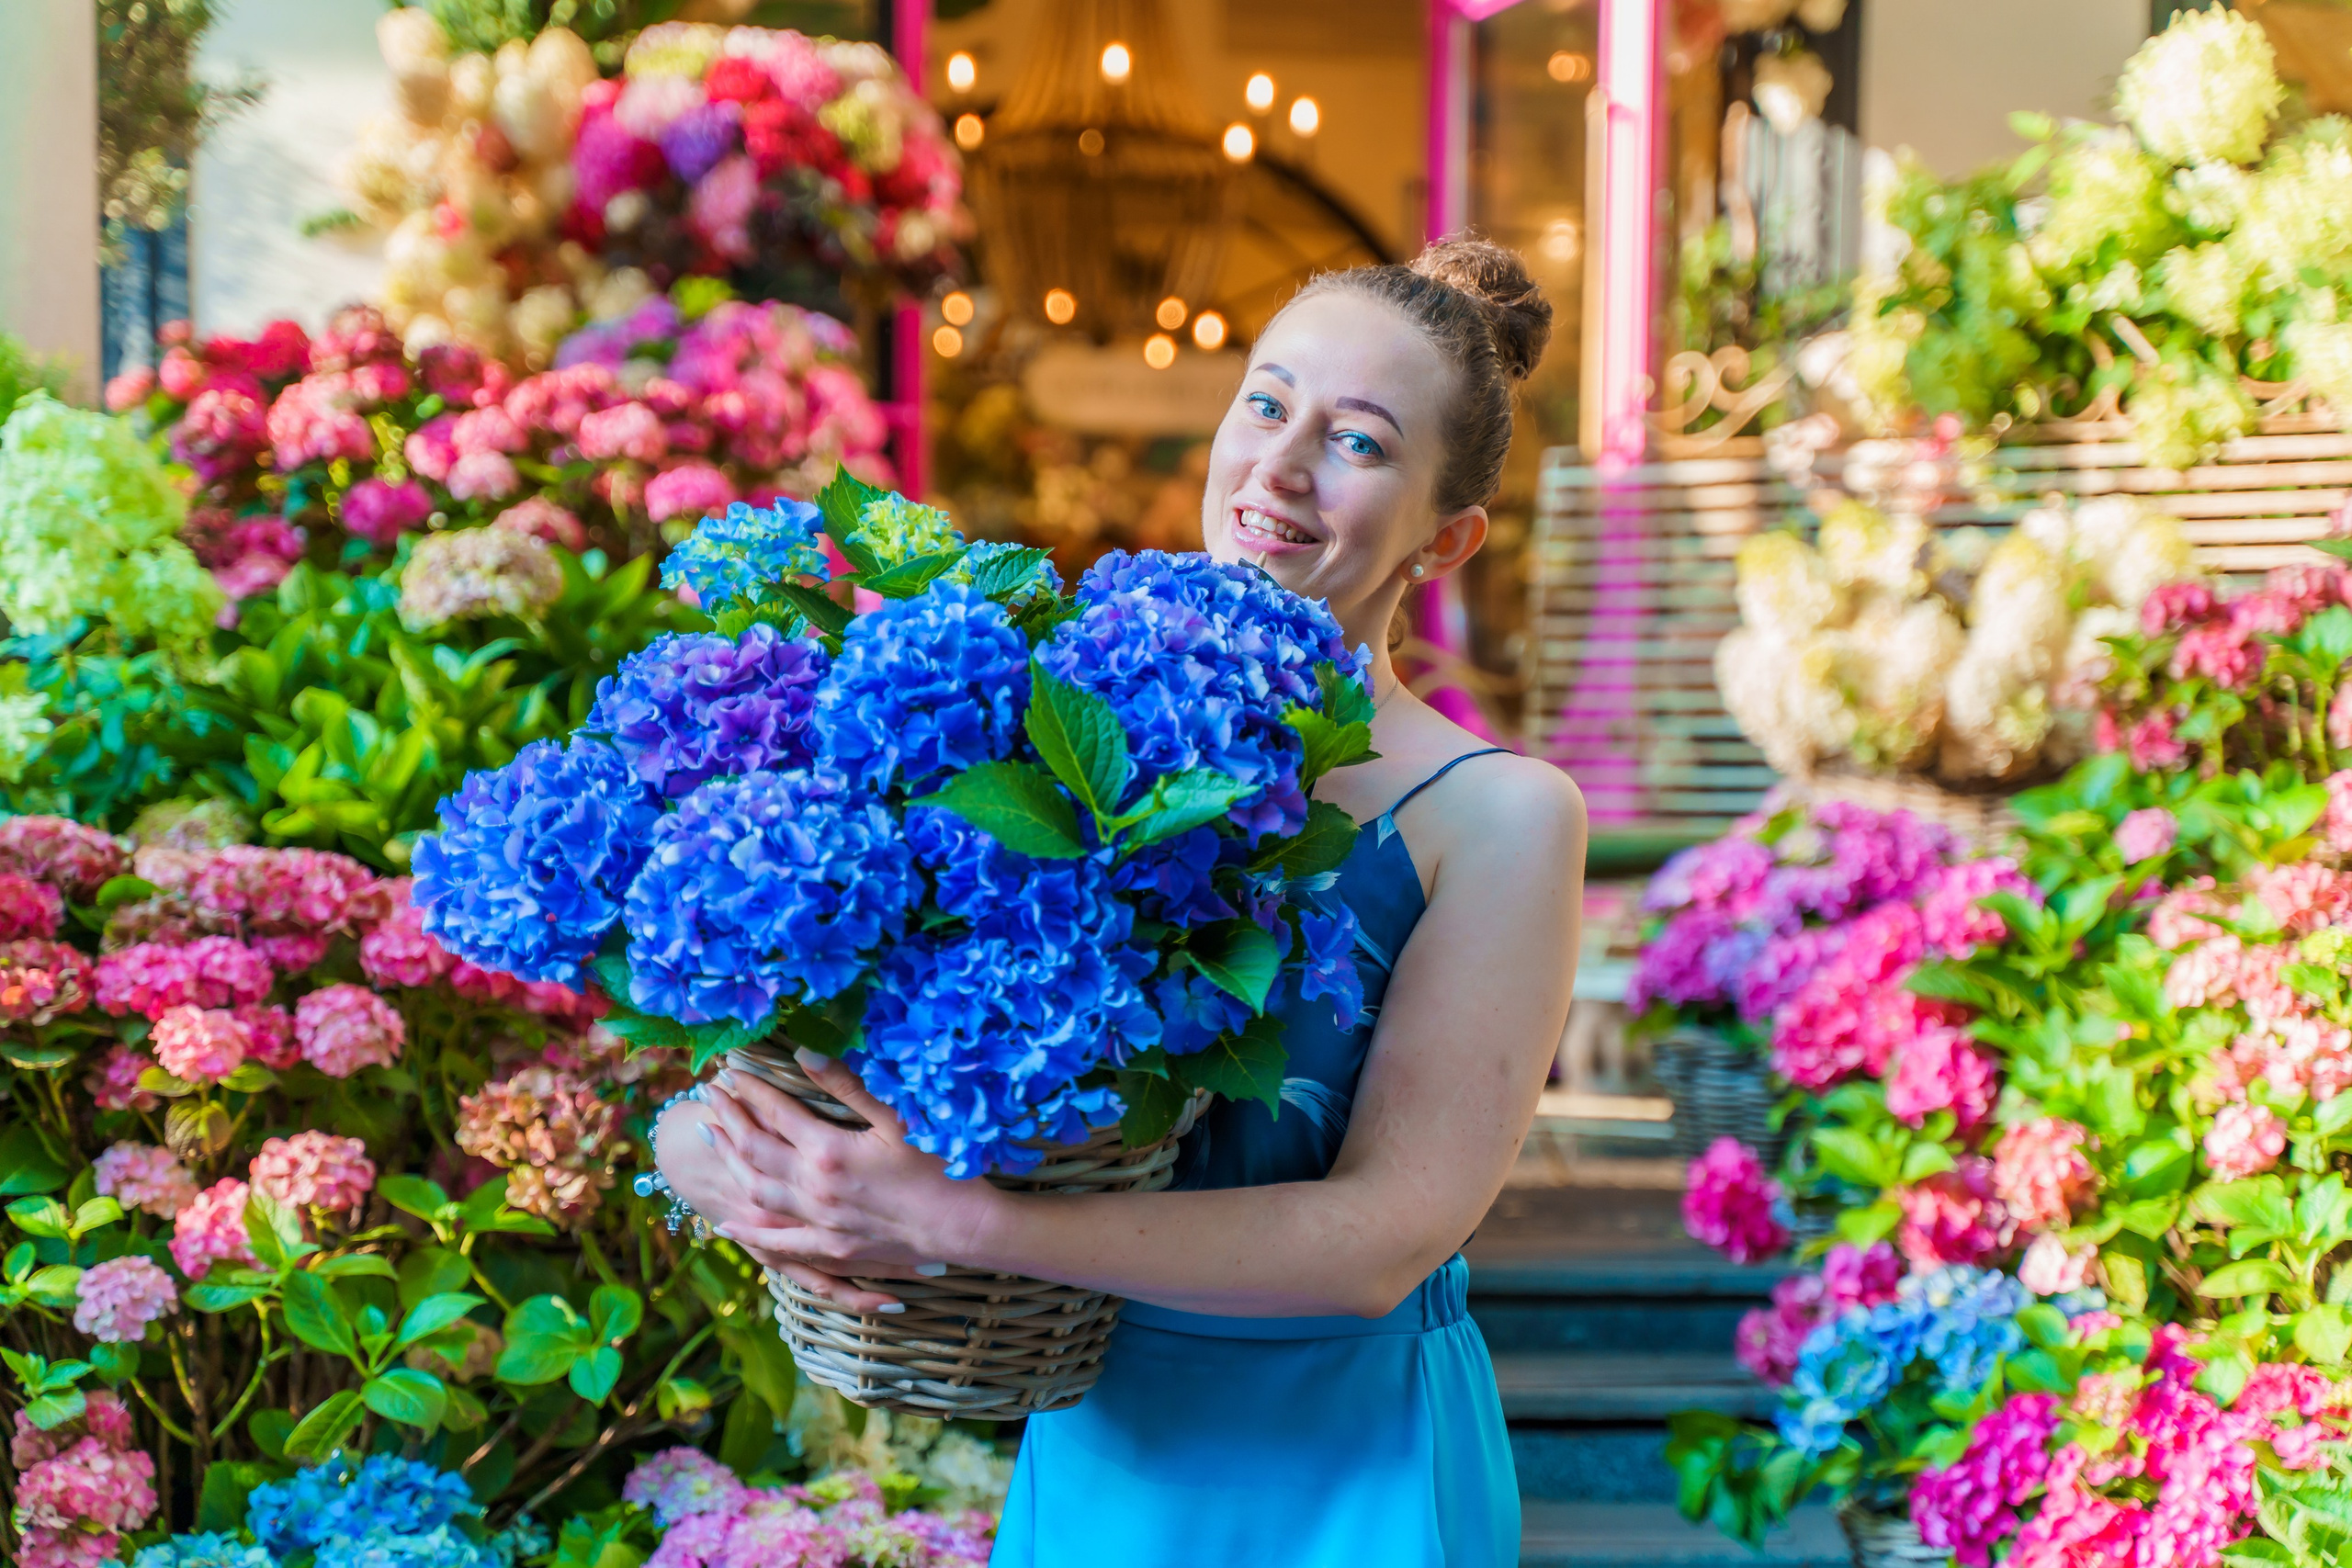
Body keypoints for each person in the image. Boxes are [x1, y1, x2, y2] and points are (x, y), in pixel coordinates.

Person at [654, 235, 1589, 1567]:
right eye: (1266, 403)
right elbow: (810, 1021)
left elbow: (1382, 1237)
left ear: (1448, 537)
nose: (1280, 463)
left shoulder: (1500, 814)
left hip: (1348, 1467)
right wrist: (731, 1166)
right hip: (1099, 1436)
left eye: (1360, 442)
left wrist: (952, 1218)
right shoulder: (1047, 732)